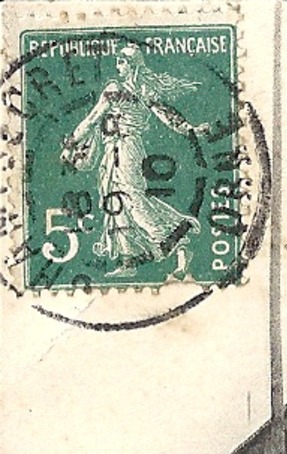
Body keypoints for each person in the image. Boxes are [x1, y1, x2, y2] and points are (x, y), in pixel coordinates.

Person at [60, 44, 203, 278]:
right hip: (116, 150)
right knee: (115, 200)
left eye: (123, 61)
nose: (118, 65)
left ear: (133, 64)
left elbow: (93, 118)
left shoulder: (116, 89)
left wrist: (71, 144)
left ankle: (176, 239)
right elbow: (168, 116)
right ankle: (129, 261)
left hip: (124, 149)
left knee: (132, 199)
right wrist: (190, 129)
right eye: (118, 61)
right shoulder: (143, 90)